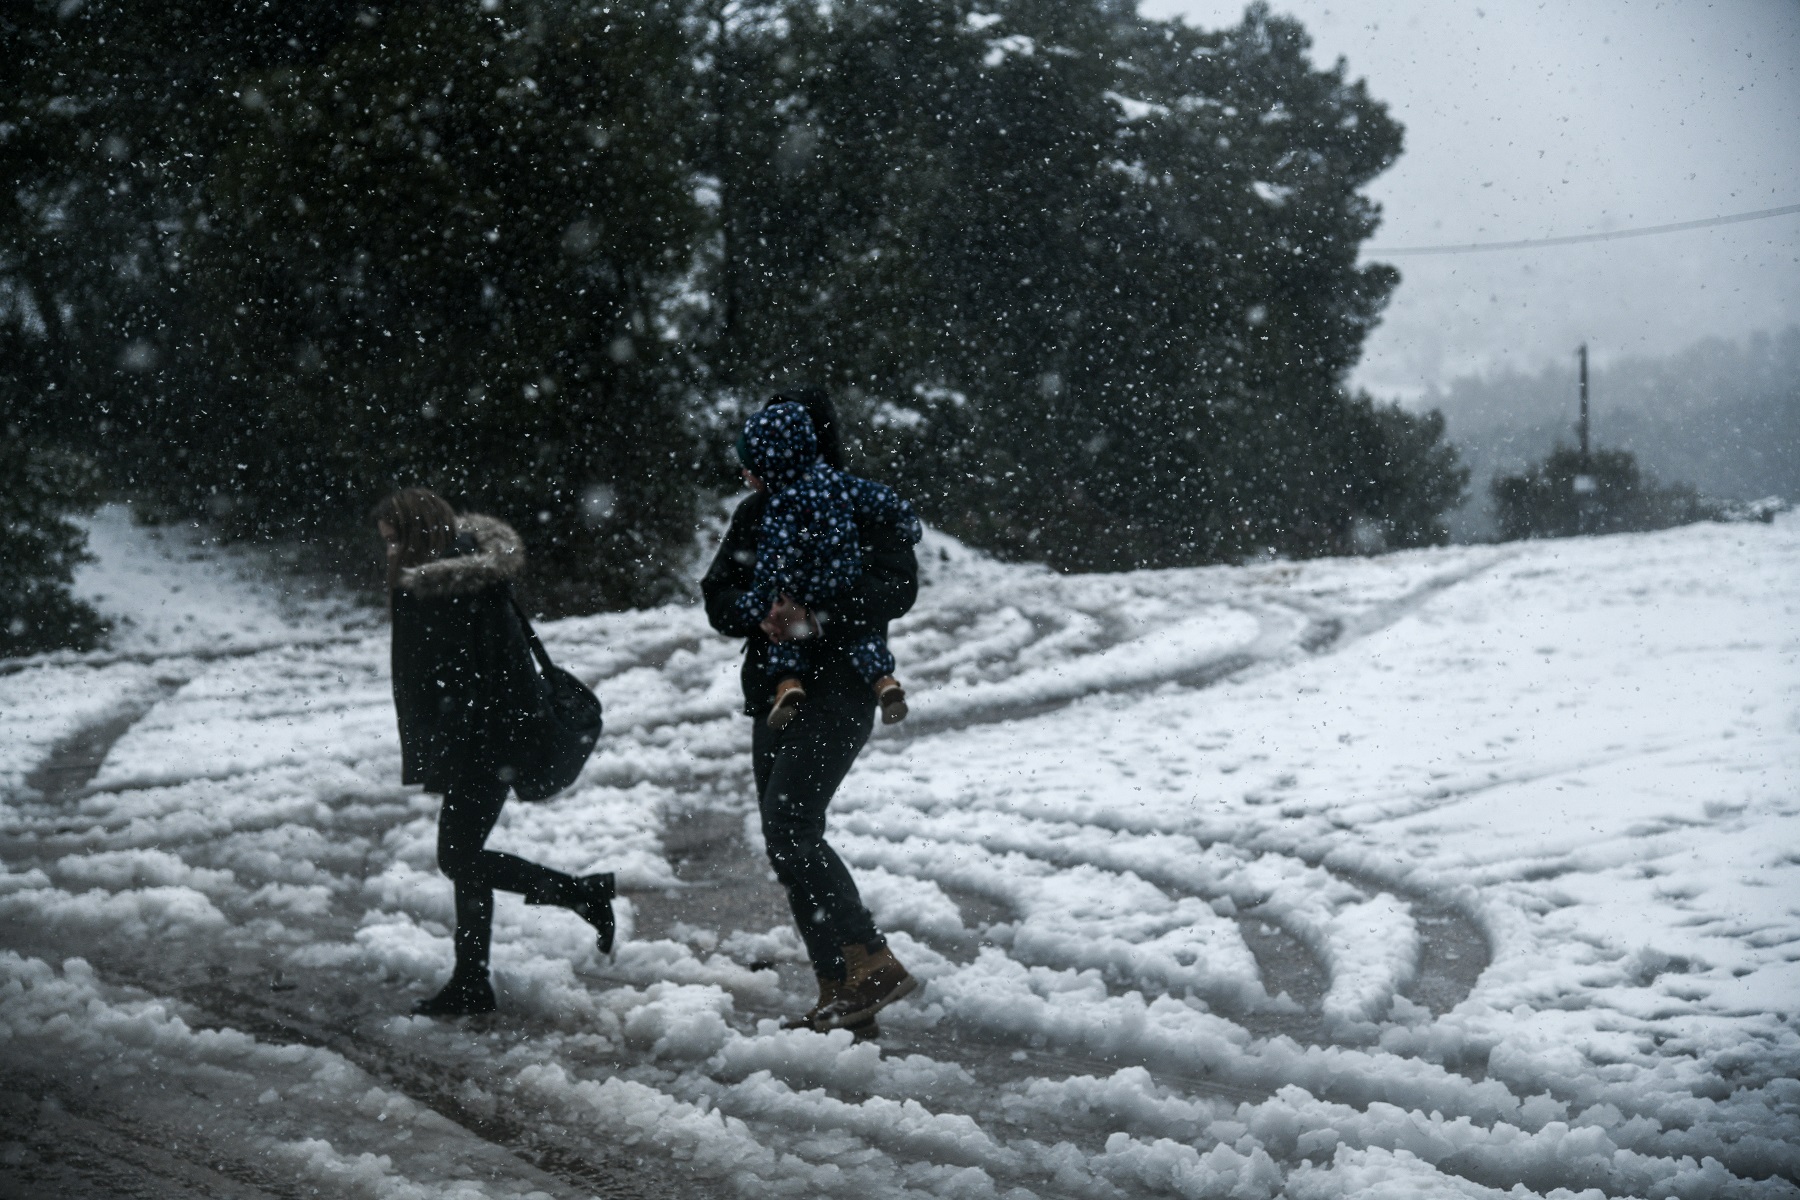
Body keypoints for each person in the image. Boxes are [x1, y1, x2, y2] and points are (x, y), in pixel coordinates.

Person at [701, 390, 921, 1036]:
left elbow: (895, 589)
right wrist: (762, 613)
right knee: (785, 839)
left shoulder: (861, 506)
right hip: (776, 691)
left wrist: (814, 617)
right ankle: (842, 993)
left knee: (791, 826)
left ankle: (870, 962)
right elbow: (719, 594)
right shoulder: (758, 512)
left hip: (843, 687)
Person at [375, 487, 616, 1017]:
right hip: (476, 742)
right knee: (466, 861)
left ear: (420, 535)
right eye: (386, 543)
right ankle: (471, 980)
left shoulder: (459, 587)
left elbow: (502, 675)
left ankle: (580, 894)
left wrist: (481, 745)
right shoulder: (446, 581)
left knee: (459, 858)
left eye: (396, 541)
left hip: (486, 744)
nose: (390, 553)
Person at [732, 401, 921, 730]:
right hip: (842, 579)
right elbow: (883, 499)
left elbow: (772, 563)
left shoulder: (777, 507)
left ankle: (788, 685)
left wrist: (761, 604)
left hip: (800, 589)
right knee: (861, 637)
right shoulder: (837, 483)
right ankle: (884, 681)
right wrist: (907, 524)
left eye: (750, 468)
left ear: (769, 466)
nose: (745, 475)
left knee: (787, 639)